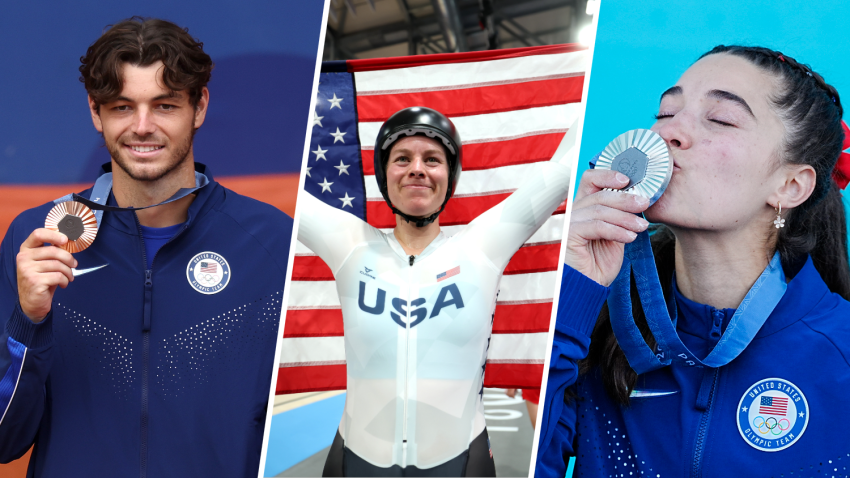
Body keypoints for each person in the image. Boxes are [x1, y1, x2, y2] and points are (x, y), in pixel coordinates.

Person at [536, 45, 850, 477]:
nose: (668, 133)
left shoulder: (842, 353)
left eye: (720, 119)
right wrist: (573, 292)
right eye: (665, 114)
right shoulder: (598, 336)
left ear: (791, 185)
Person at [0, 18, 293, 477]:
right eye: (122, 106)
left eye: (164, 105)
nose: (142, 127)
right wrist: (29, 322)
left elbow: (290, 425)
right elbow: (3, 440)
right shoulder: (35, 241)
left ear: (199, 107)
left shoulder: (272, 243)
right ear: (95, 112)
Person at [298, 106, 577, 476]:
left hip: (462, 464)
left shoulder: (482, 247)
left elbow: (563, 169)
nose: (417, 168)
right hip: (355, 462)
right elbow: (279, 184)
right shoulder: (349, 245)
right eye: (402, 158)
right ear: (384, 174)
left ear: (450, 175)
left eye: (432, 159)